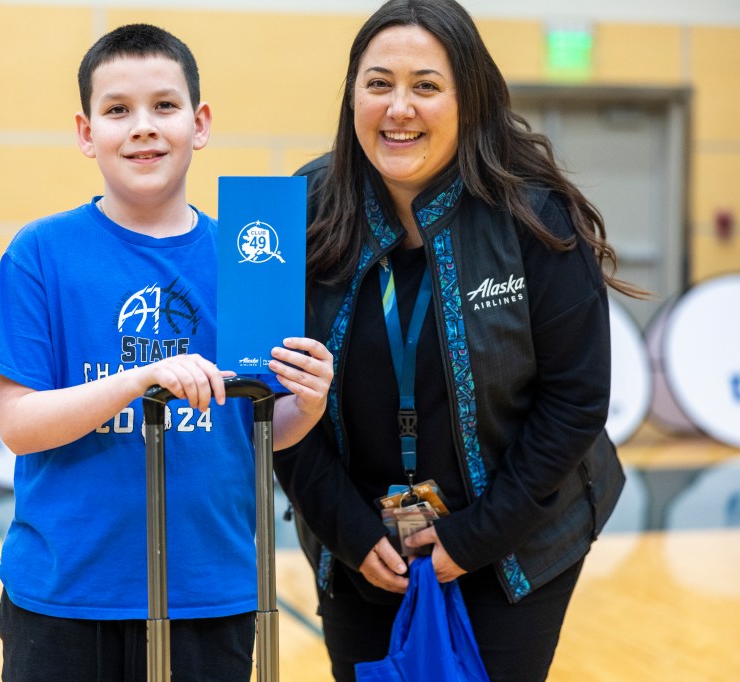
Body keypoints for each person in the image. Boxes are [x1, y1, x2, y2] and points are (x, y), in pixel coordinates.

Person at [273, 1, 639, 680]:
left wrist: (474, 540)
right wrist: (351, 534)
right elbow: (271, 401)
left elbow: (575, 400)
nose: (399, 108)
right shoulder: (301, 211)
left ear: (468, 100)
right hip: (358, 546)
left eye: (426, 86)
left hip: (518, 545)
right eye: (378, 83)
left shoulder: (533, 214)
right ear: (352, 95)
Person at [0, 24, 332, 682]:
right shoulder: (41, 252)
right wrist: (141, 380)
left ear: (200, 122)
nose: (143, 128)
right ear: (85, 132)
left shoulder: (249, 259)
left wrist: (308, 399)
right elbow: (19, 426)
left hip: (209, 591)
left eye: (165, 106)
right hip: (66, 596)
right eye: (117, 110)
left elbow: (255, 434)